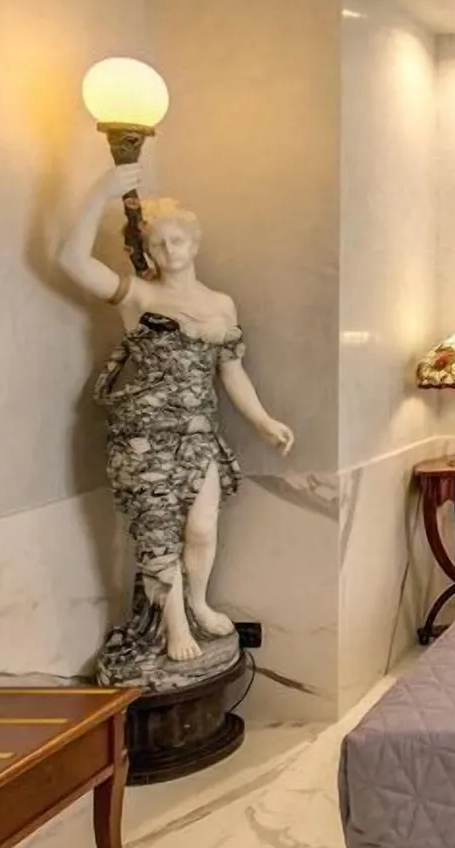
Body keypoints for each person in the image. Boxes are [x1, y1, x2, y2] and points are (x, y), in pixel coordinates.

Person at [58, 163, 293, 677]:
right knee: (157, 532)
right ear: (149, 249)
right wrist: (99, 191)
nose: (169, 251)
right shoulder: (138, 296)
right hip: (144, 438)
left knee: (202, 528)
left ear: (194, 244)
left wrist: (263, 421)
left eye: (177, 241)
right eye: (159, 244)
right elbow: (70, 261)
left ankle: (198, 603)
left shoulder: (220, 304)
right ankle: (175, 624)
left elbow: (231, 371)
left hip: (198, 434)